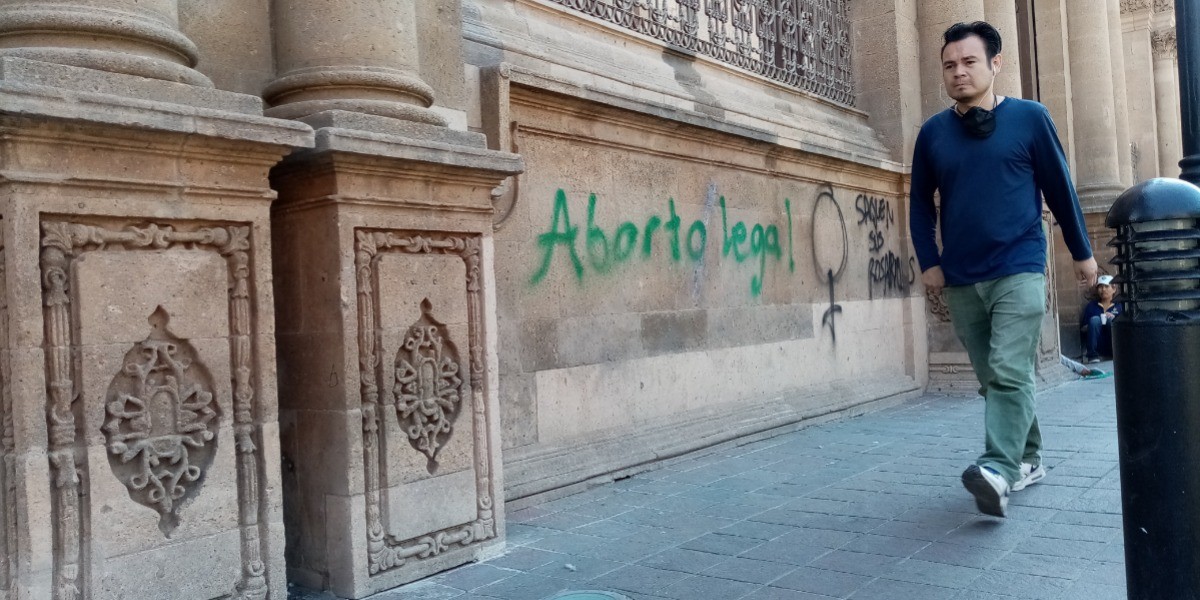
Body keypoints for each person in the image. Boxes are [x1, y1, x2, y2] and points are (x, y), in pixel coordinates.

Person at [909, 21, 1098, 517]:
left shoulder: (1030, 118)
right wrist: (930, 262)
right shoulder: (932, 134)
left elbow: (1060, 188)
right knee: (993, 377)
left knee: (1011, 369)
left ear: (995, 63)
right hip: (962, 276)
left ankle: (997, 468)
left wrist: (1082, 253)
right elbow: (919, 206)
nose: (958, 72)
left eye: (969, 61)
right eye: (949, 65)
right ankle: (1030, 457)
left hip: (1020, 266)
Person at [1081, 275, 1121, 363]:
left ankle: (1117, 353)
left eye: (1106, 286)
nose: (1103, 290)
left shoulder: (1119, 306)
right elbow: (1083, 329)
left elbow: (1125, 330)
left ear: (1114, 289)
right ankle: (1092, 355)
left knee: (1111, 321)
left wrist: (1113, 319)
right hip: (1098, 347)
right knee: (1095, 320)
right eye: (1100, 287)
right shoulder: (1092, 306)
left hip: (1114, 348)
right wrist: (1094, 323)